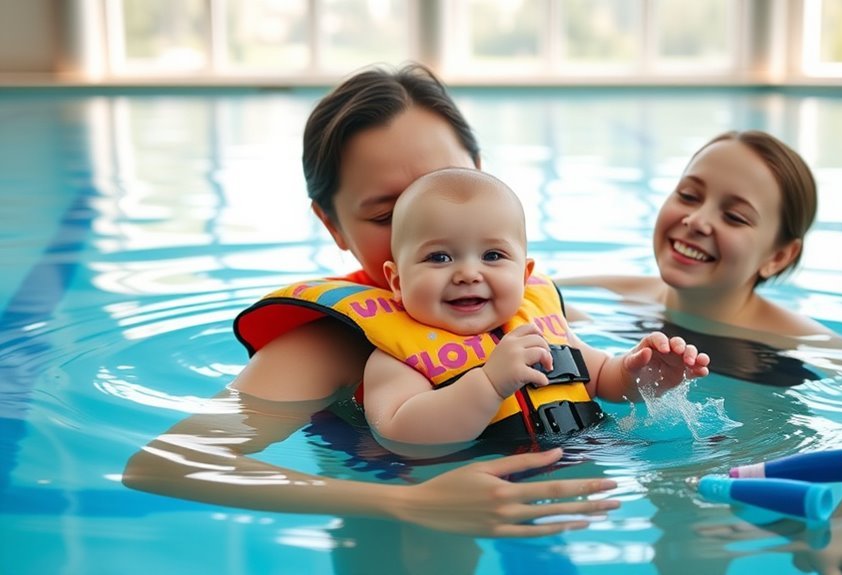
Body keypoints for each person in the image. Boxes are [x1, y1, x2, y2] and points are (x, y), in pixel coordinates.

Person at [122, 63, 623, 538]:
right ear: (332, 224)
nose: (430, 224)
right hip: (399, 532)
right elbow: (165, 465)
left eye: (446, 186)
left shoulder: (525, 301)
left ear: (481, 174)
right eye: (388, 216)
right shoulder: (331, 343)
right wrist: (405, 504)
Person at [559, 130, 842, 575]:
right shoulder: (603, 295)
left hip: (747, 468)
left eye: (735, 217)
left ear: (779, 256)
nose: (698, 221)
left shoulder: (802, 342)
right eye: (688, 195)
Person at [355, 167, 710, 449]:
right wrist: (489, 384)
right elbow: (398, 432)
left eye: (492, 255)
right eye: (439, 257)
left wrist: (642, 374)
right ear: (398, 283)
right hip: (490, 481)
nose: (467, 274)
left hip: (591, 453)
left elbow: (599, 378)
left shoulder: (540, 324)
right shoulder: (395, 359)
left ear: (525, 277)